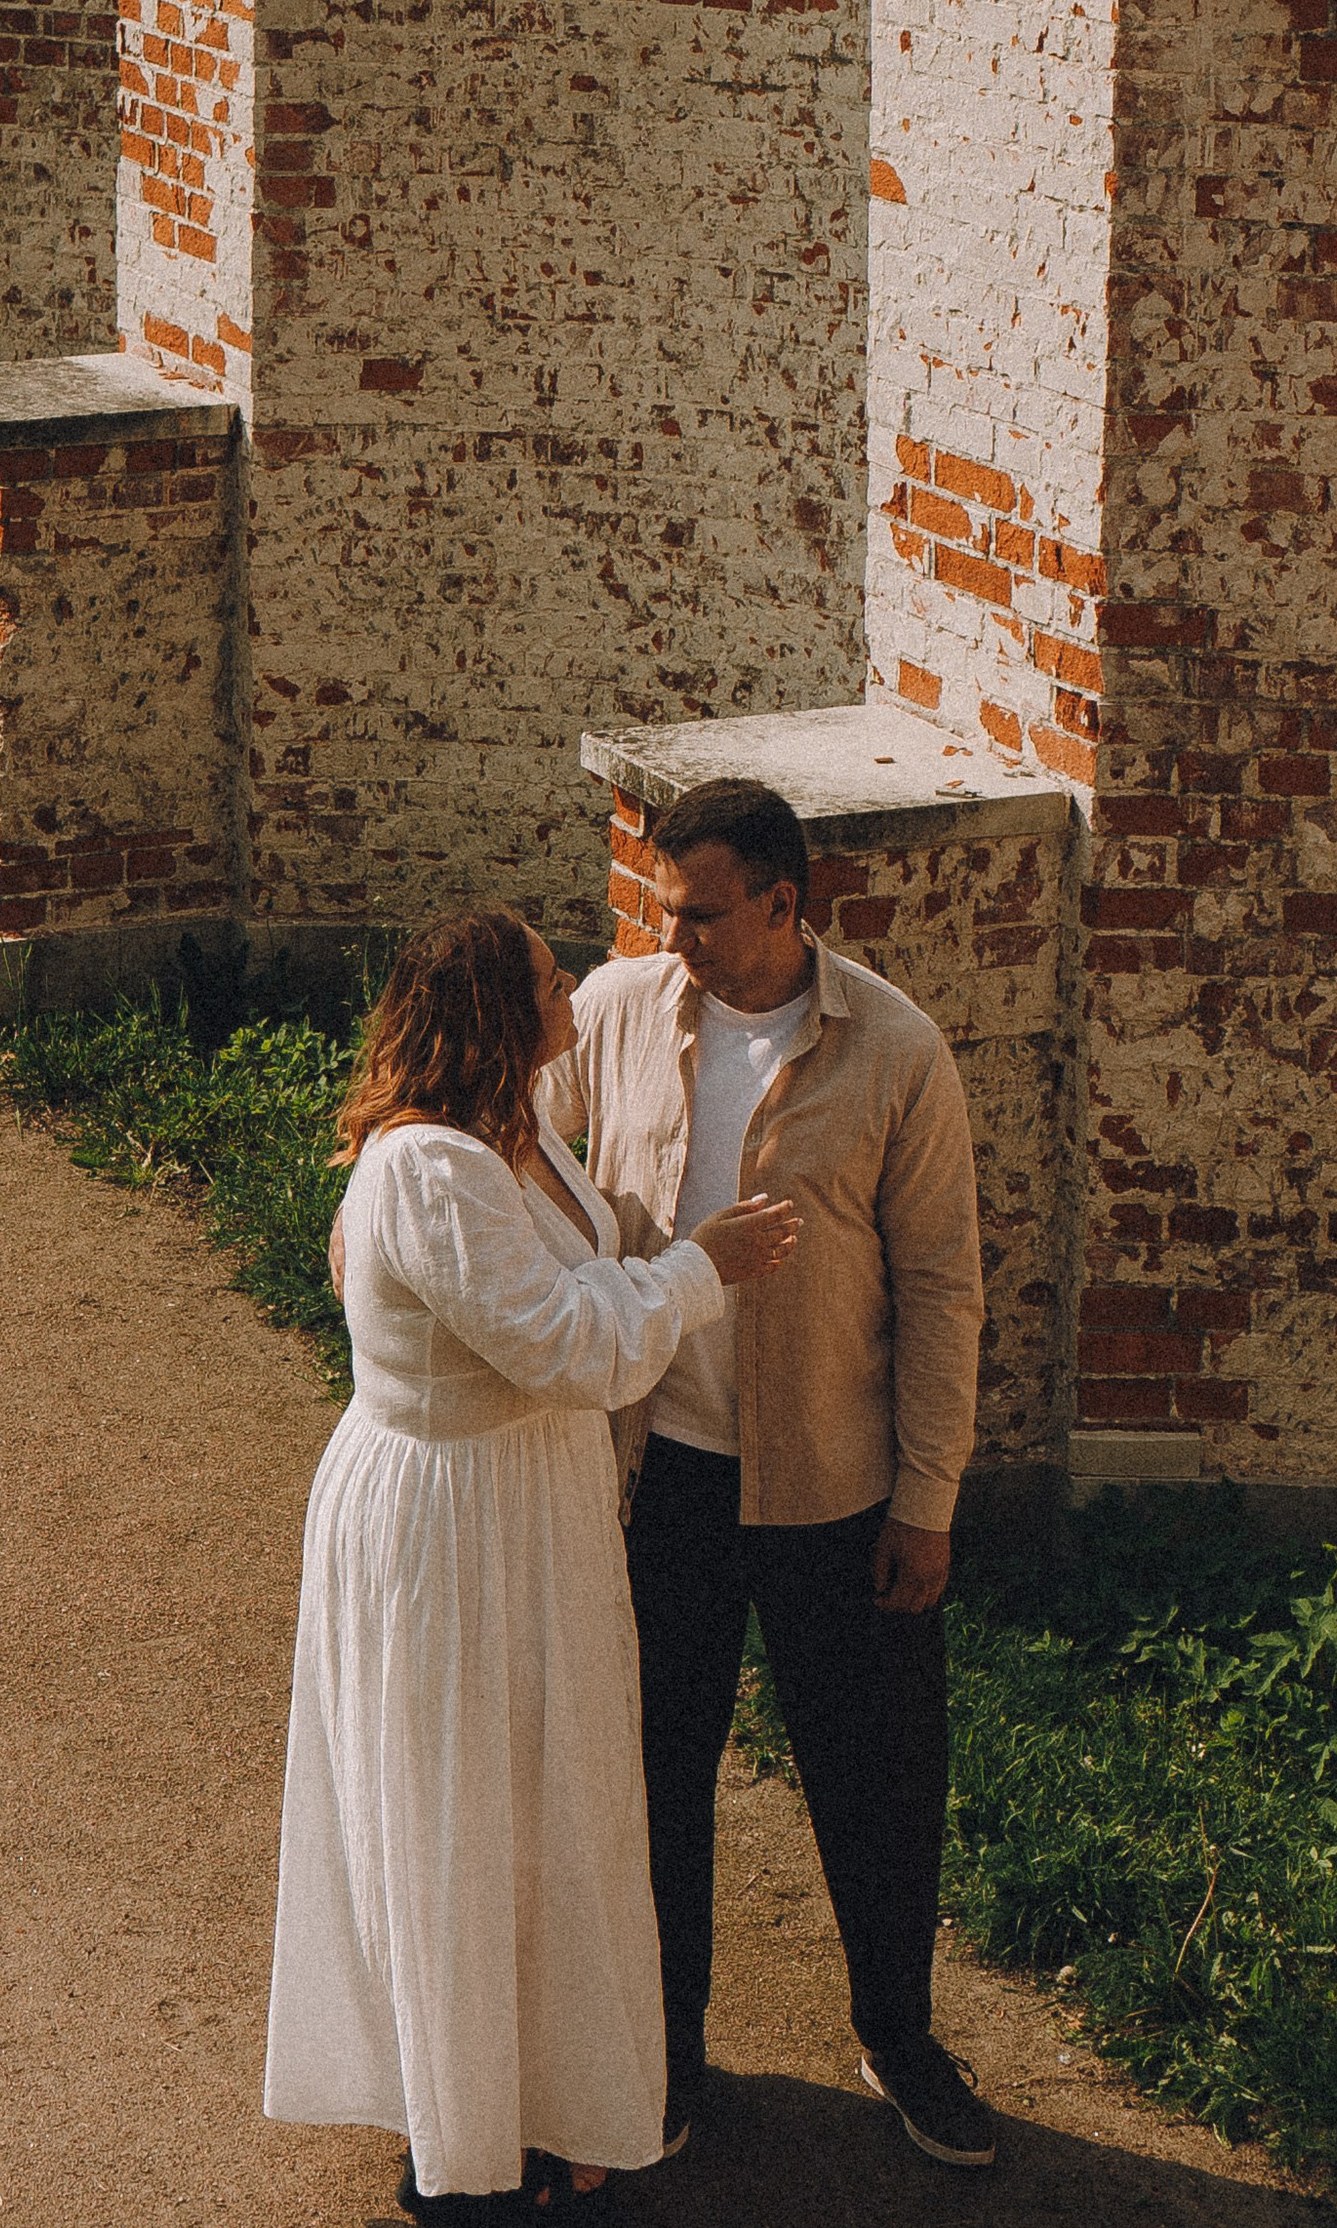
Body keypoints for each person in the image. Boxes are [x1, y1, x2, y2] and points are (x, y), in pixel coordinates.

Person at [266, 906, 801, 2218]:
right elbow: (567, 1343)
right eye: (554, 981)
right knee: (459, 1816)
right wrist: (700, 1271)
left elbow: (584, 1240)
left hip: (526, 1513)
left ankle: (543, 2095)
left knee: (541, 1810)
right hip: (444, 1526)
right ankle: (463, 2145)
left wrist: (653, 1225)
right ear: (506, 1015)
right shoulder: (427, 1171)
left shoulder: (515, 1135)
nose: (573, 993)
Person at [541, 776, 994, 2173]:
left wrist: (929, 1497)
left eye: (700, 913)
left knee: (875, 1776)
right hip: (658, 1475)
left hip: (835, 1485)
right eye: (663, 909)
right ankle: (667, 2052)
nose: (671, 936)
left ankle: (900, 2040)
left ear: (785, 904)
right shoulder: (619, 1013)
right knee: (655, 1776)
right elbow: (528, 1161)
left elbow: (941, 1288)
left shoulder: (896, 1050)